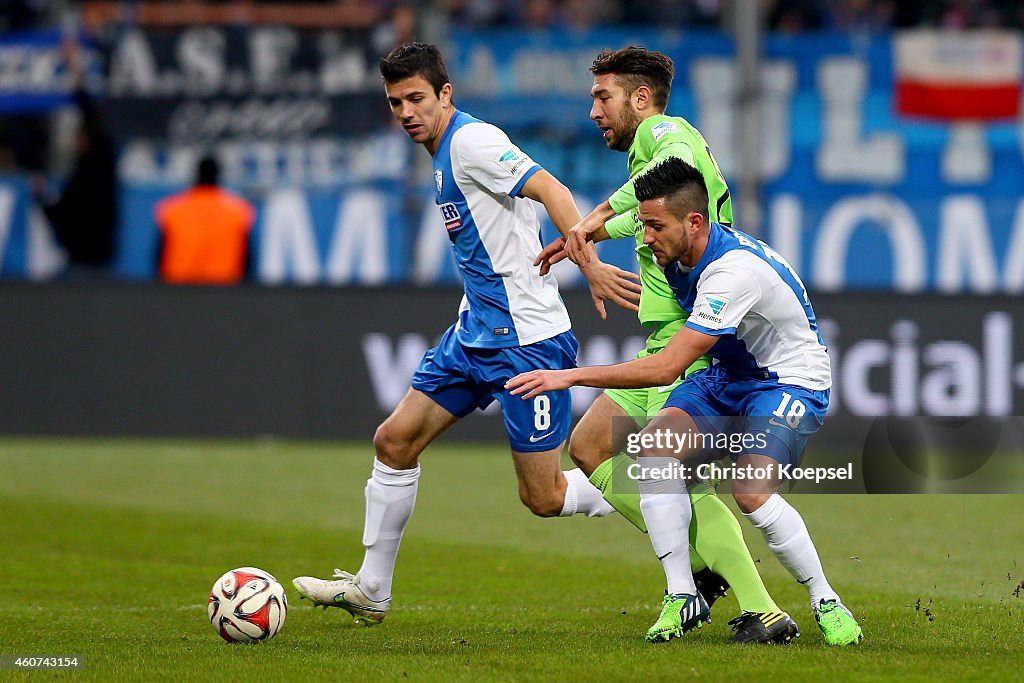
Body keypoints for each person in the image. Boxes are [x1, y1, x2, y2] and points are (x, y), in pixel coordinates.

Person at [291, 42, 638, 623]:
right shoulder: (439, 150)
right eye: (396, 101)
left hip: (526, 342)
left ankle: (655, 486)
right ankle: (372, 588)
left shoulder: (473, 142)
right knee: (393, 442)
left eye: (416, 98)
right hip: (473, 332)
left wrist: (590, 261)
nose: (405, 111)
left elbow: (550, 188)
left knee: (545, 497)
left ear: (445, 95)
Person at [508, 157, 864, 647]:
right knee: (653, 452)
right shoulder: (671, 241)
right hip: (729, 375)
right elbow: (624, 220)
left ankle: (826, 600)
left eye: (655, 227)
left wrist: (568, 377)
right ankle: (682, 594)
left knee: (749, 490)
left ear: (694, 222)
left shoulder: (730, 273)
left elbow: (665, 368)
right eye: (646, 225)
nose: (646, 238)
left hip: (789, 382)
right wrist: (582, 246)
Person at [536, 46, 794, 644]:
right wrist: (583, 242)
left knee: (672, 477)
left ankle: (760, 609)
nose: (594, 110)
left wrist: (588, 226)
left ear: (641, 98)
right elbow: (642, 211)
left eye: (603, 97)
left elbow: (682, 180)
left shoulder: (666, 134)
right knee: (592, 445)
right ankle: (701, 572)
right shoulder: (645, 163)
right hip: (664, 334)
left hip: (690, 340)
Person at [154, 156, 254, 284]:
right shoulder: (238, 210)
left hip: (178, 288)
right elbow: (247, 259)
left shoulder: (172, 208)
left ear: (195, 175)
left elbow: (159, 255)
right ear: (219, 176)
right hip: (223, 288)